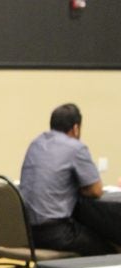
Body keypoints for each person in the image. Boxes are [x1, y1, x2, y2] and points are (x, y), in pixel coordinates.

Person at [19, 103, 113, 255]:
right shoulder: (75, 147)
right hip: (55, 233)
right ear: (76, 128)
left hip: (27, 232)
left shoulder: (35, 144)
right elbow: (96, 190)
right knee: (109, 248)